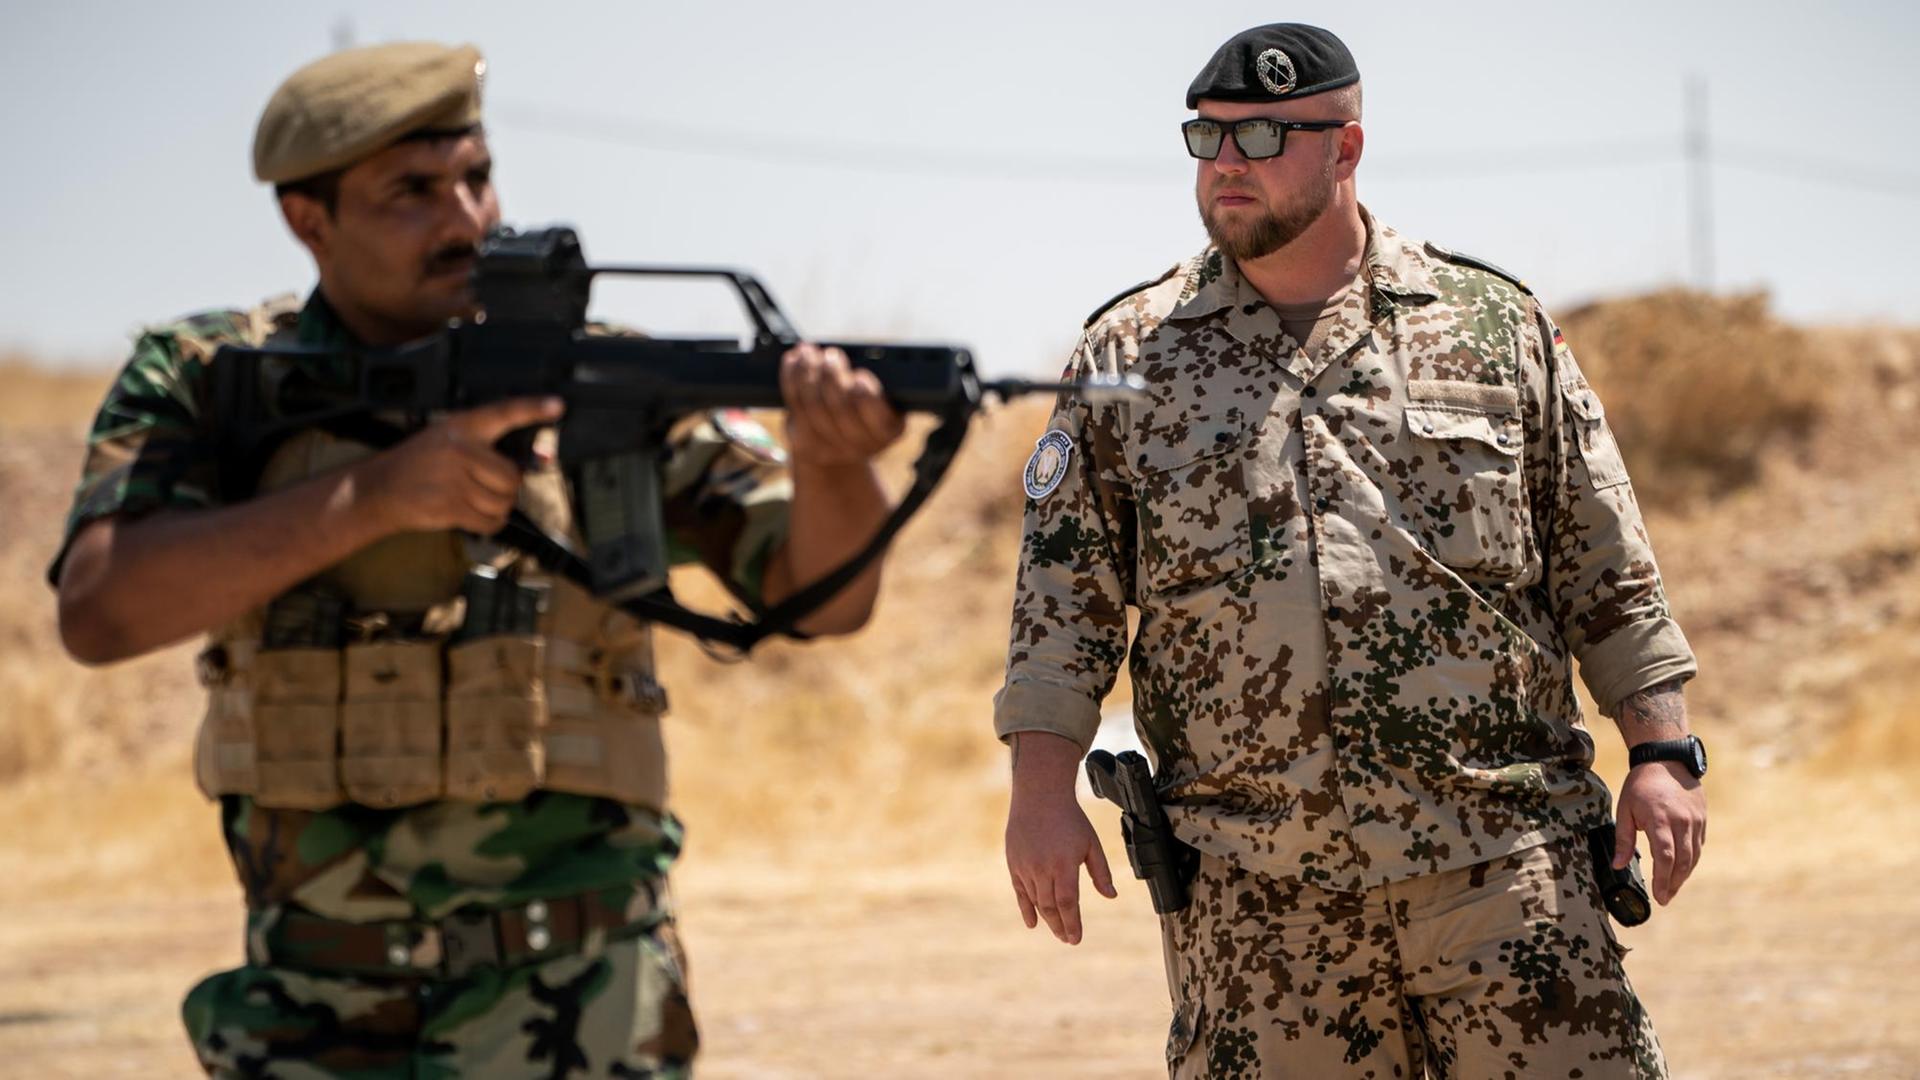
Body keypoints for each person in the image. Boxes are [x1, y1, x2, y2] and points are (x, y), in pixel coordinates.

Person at [51, 41, 906, 1077]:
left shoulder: (606, 377)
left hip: (584, 1004)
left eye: (477, 177)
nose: (467, 219)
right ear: (306, 218)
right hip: (315, 1013)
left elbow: (821, 598)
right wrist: (373, 498)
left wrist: (836, 469)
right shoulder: (203, 374)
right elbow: (101, 608)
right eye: (413, 191)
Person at [996, 23, 1708, 1079]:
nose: (1226, 163)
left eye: (1265, 135)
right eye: (1208, 137)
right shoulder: (1131, 357)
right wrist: (1039, 798)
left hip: (1502, 870)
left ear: (1347, 146)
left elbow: (1599, 557)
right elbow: (1063, 608)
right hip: (1257, 900)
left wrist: (1661, 751)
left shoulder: (1491, 328)